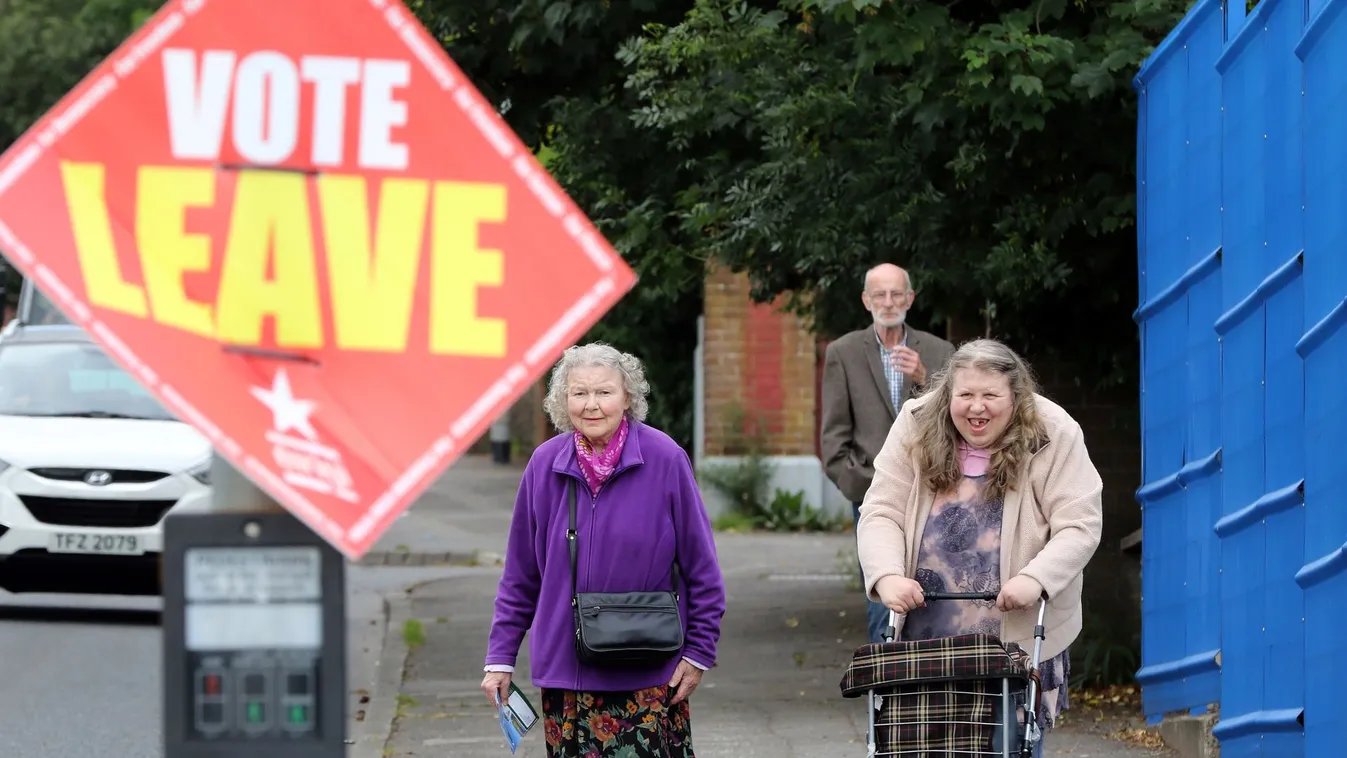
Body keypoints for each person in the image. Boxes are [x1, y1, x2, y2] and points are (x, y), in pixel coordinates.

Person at [856, 338, 1104, 755]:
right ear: (948, 393)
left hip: (1016, 638)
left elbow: (1080, 524)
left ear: (1017, 395)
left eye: (991, 395)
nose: (976, 407)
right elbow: (881, 510)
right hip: (926, 635)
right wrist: (886, 576)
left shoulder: (1054, 432)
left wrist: (1036, 578)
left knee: (1010, 744)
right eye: (965, 395)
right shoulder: (916, 424)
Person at [481, 342, 727, 758]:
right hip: (566, 673)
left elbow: (702, 570)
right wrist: (500, 657)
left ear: (628, 397)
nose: (591, 405)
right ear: (563, 401)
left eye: (604, 392)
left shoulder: (665, 458)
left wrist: (700, 651)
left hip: (646, 668)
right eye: (579, 393)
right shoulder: (544, 464)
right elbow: (521, 575)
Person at [821, 262, 954, 643]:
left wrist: (925, 380)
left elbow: (956, 421)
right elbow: (833, 438)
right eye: (879, 294)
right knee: (884, 589)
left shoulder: (939, 350)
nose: (889, 301)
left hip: (933, 490)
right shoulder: (843, 352)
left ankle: (931, 675)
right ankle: (885, 692)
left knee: (936, 585)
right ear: (866, 300)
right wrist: (862, 488)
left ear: (910, 298)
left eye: (897, 293)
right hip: (871, 493)